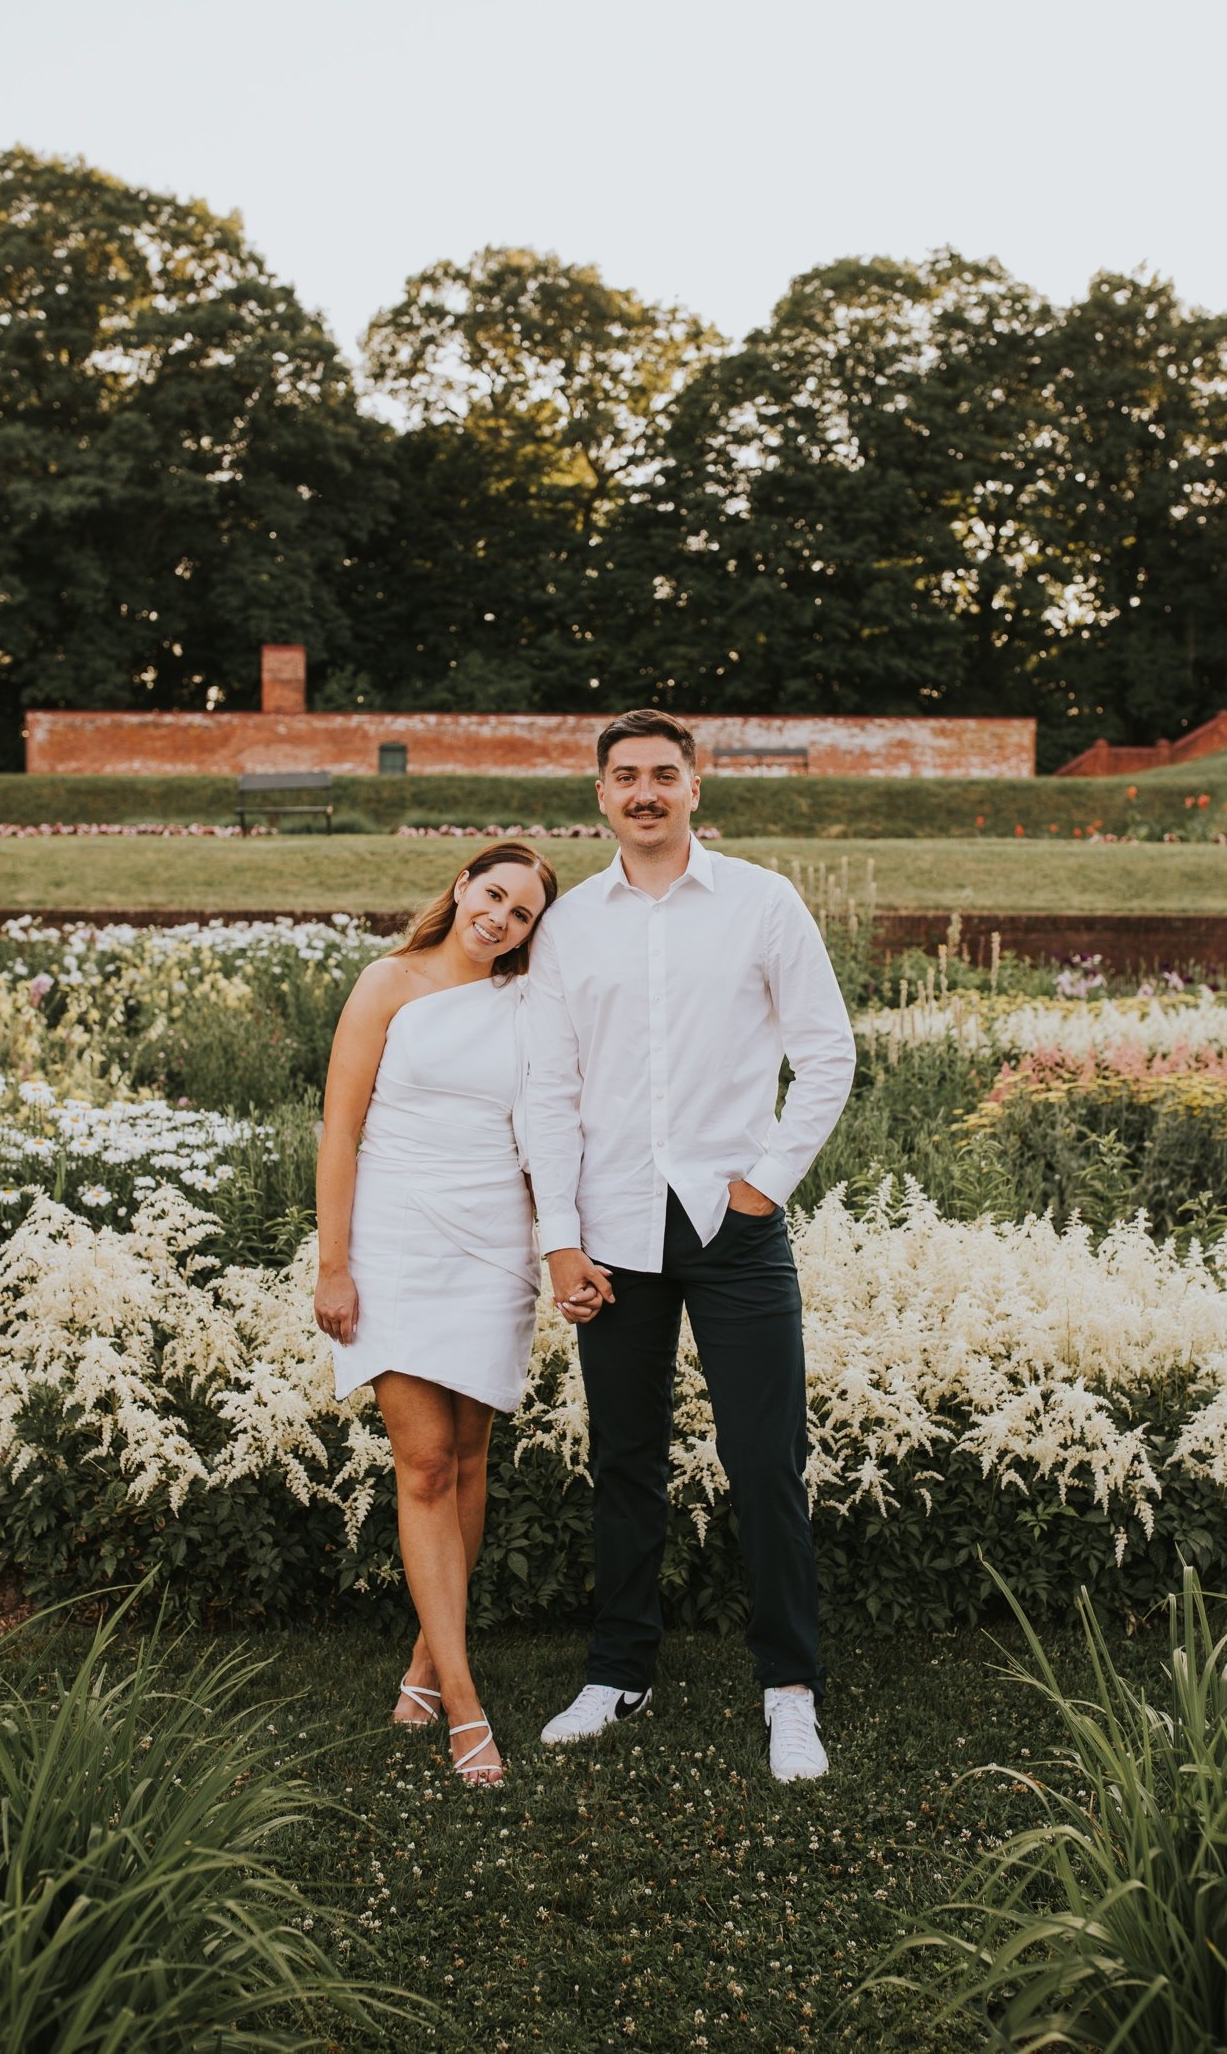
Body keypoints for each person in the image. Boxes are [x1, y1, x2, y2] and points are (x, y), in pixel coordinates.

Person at [524, 711, 856, 1782]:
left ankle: (789, 1689)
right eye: (626, 777)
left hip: (734, 1223)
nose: (646, 792)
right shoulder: (571, 924)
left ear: (697, 787)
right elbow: (549, 1087)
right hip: (612, 1232)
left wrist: (764, 1185)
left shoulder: (762, 901)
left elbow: (828, 1053)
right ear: (601, 796)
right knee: (625, 1459)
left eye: (665, 774)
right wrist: (560, 1242)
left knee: (767, 1463)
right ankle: (620, 1668)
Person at [314, 840, 567, 1788]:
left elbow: (545, 1127)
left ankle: (427, 1659)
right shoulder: (388, 982)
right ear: (462, 886)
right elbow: (339, 1129)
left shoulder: (528, 1005)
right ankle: (466, 1706)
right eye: (491, 895)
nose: (498, 918)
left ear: (532, 933)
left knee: (467, 1459)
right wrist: (334, 1264)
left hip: (494, 1238)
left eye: (522, 913)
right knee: (421, 1461)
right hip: (396, 1237)